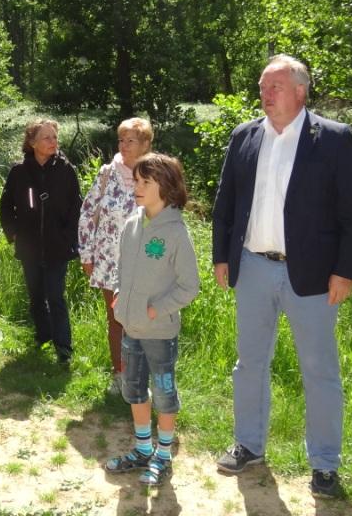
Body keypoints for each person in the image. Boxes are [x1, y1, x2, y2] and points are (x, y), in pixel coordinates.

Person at [211, 54, 352, 498]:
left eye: (275, 86)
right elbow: (226, 202)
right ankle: (248, 444)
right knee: (250, 364)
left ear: (301, 91)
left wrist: (345, 271)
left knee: (319, 369)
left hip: (315, 275)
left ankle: (323, 465)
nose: (265, 94)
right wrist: (222, 256)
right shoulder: (245, 135)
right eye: (263, 87)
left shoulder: (333, 139)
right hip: (254, 267)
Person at [105, 153, 199, 486]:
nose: (137, 187)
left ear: (167, 187)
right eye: (137, 180)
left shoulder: (175, 232)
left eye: (146, 182)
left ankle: (163, 453)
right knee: (133, 389)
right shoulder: (133, 223)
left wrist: (157, 308)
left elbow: (190, 285)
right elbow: (123, 268)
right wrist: (119, 294)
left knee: (163, 393)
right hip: (130, 327)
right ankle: (143, 448)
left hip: (159, 333)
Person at [78, 117, 153, 391]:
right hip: (109, 261)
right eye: (121, 139)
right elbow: (88, 214)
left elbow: (167, 222)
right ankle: (119, 376)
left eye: (130, 140)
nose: (123, 145)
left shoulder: (157, 174)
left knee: (146, 320)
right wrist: (86, 254)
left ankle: (144, 378)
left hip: (146, 263)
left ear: (146, 144)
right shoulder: (107, 173)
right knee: (117, 319)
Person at [0, 119, 81, 364]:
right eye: (46, 137)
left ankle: (63, 348)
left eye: (55, 137)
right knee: (36, 295)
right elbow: (6, 205)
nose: (53, 141)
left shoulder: (66, 170)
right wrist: (12, 232)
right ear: (32, 142)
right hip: (30, 246)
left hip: (58, 246)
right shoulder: (19, 171)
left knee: (56, 296)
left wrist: (69, 238)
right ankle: (43, 335)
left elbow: (76, 207)